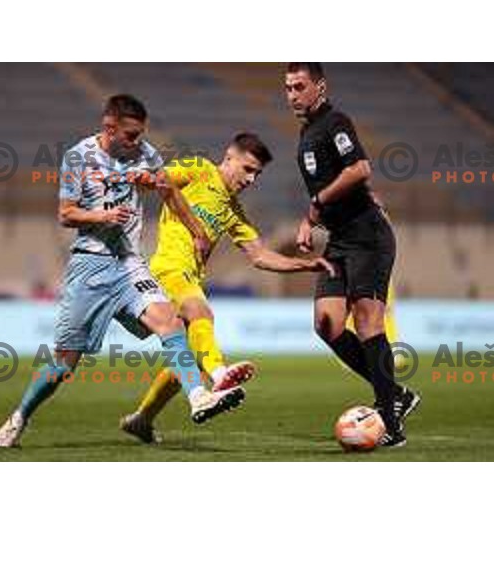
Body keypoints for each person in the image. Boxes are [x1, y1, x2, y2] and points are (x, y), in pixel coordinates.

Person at [0, 94, 246, 449]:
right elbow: (66, 213)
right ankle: (19, 417)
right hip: (89, 267)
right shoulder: (78, 157)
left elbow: (170, 193)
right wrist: (102, 217)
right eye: (130, 135)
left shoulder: (147, 155)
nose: (137, 142)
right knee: (64, 365)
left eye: (140, 134)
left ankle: (198, 396)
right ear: (109, 128)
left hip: (128, 263)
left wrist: (198, 231)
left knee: (170, 322)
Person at [120, 132, 334, 444]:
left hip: (190, 278)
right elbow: (160, 179)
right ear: (228, 157)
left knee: (190, 356)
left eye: (257, 174)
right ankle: (219, 376)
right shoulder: (199, 169)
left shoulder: (233, 211)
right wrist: (133, 177)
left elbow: (259, 255)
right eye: (247, 169)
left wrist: (306, 264)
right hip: (166, 269)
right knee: (200, 311)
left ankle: (142, 419)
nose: (251, 179)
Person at [285, 63, 420, 447]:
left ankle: (391, 420)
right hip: (341, 240)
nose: (293, 94)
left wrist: (316, 203)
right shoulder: (307, 131)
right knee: (326, 324)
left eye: (300, 86)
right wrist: (311, 219)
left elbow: (359, 168)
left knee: (367, 326)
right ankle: (397, 394)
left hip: (368, 239)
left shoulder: (334, 121)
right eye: (288, 87)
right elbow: (331, 189)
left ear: (320, 87)